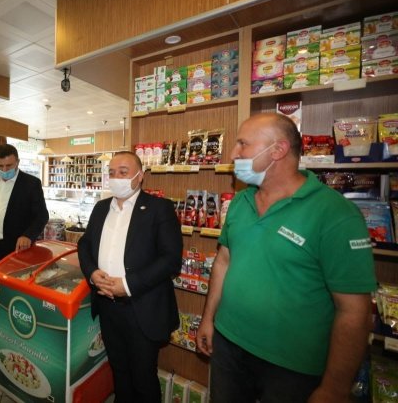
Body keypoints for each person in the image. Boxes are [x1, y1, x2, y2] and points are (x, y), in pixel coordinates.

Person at [196, 113, 377, 403]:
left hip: (292, 367)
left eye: (243, 144)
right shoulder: (241, 201)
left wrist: (335, 388)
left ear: (278, 150)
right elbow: (224, 261)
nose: (233, 154)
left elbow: (354, 311)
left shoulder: (335, 215)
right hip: (229, 346)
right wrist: (209, 319)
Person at [77, 151, 182, 402]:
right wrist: (92, 273)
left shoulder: (159, 208)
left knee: (143, 378)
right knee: (119, 372)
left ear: (140, 176)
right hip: (107, 306)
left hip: (142, 308)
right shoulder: (101, 208)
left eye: (123, 172)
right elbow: (84, 245)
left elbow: (170, 259)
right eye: (112, 173)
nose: (116, 178)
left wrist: (127, 285)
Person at [0, 143, 49, 350]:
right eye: (0, 166)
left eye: (9, 166)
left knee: (17, 296)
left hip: (18, 251)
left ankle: (17, 336)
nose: (4, 170)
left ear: (17, 162)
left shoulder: (31, 183)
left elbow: (42, 215)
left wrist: (28, 235)